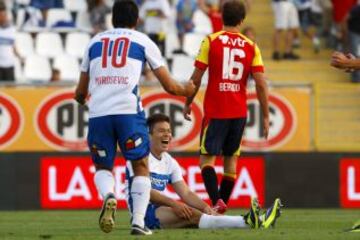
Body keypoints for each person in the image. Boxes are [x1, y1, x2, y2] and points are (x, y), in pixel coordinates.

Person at [74, 0, 195, 236]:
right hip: (128, 113)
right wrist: (188, 90)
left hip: (99, 114)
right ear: (137, 20)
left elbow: (80, 92)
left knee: (103, 166)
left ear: (112, 19)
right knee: (140, 167)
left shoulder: (94, 42)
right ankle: (138, 222)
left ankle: (109, 195)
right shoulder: (142, 41)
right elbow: (170, 86)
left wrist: (82, 99)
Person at [183, 0, 270, 214]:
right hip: (239, 112)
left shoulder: (211, 41)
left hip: (216, 110)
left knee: (206, 161)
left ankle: (216, 201)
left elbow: (196, 77)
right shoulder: (251, 46)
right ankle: (221, 204)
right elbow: (260, 83)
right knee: (231, 163)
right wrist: (266, 115)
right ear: (242, 20)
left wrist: (188, 101)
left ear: (221, 16)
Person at [125, 113, 282, 230]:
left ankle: (256, 220)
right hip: (143, 213)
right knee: (193, 215)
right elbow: (146, 192)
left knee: (202, 215)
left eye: (169, 130)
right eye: (161, 131)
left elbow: (185, 193)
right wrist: (175, 204)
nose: (167, 134)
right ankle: (249, 222)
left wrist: (205, 206)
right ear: (149, 135)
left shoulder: (169, 162)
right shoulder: (138, 157)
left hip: (160, 209)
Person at [0, 1, 21, 82]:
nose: (3, 17)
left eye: (4, 15)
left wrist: (19, 57)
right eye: (1, 15)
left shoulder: (11, 30)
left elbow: (13, 45)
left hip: (9, 64)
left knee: (10, 88)